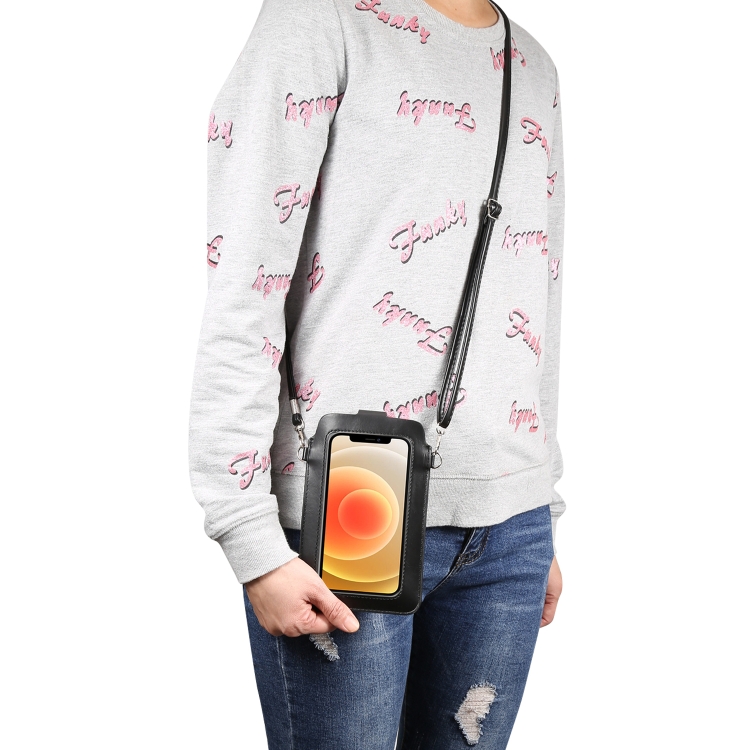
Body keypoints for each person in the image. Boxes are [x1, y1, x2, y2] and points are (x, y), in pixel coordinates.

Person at [189, 0, 566, 746]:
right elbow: (246, 282)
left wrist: (537, 507)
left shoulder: (532, 64)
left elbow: (538, 298)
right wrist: (246, 532)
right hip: (352, 501)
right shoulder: (318, 20)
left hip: (509, 531)